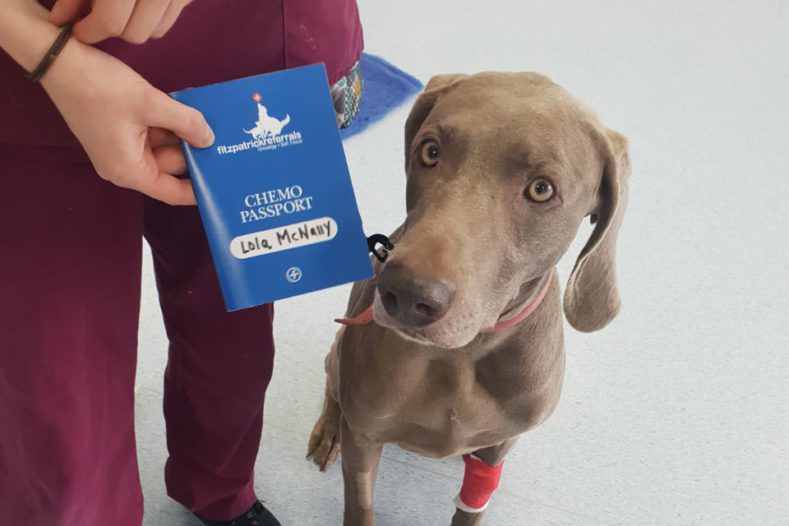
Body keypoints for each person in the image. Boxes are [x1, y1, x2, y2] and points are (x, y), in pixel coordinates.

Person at [0, 1, 363, 525]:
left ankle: (221, 490)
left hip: (247, 66)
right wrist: (45, 53)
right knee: (56, 397)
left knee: (234, 348)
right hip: (27, 74)